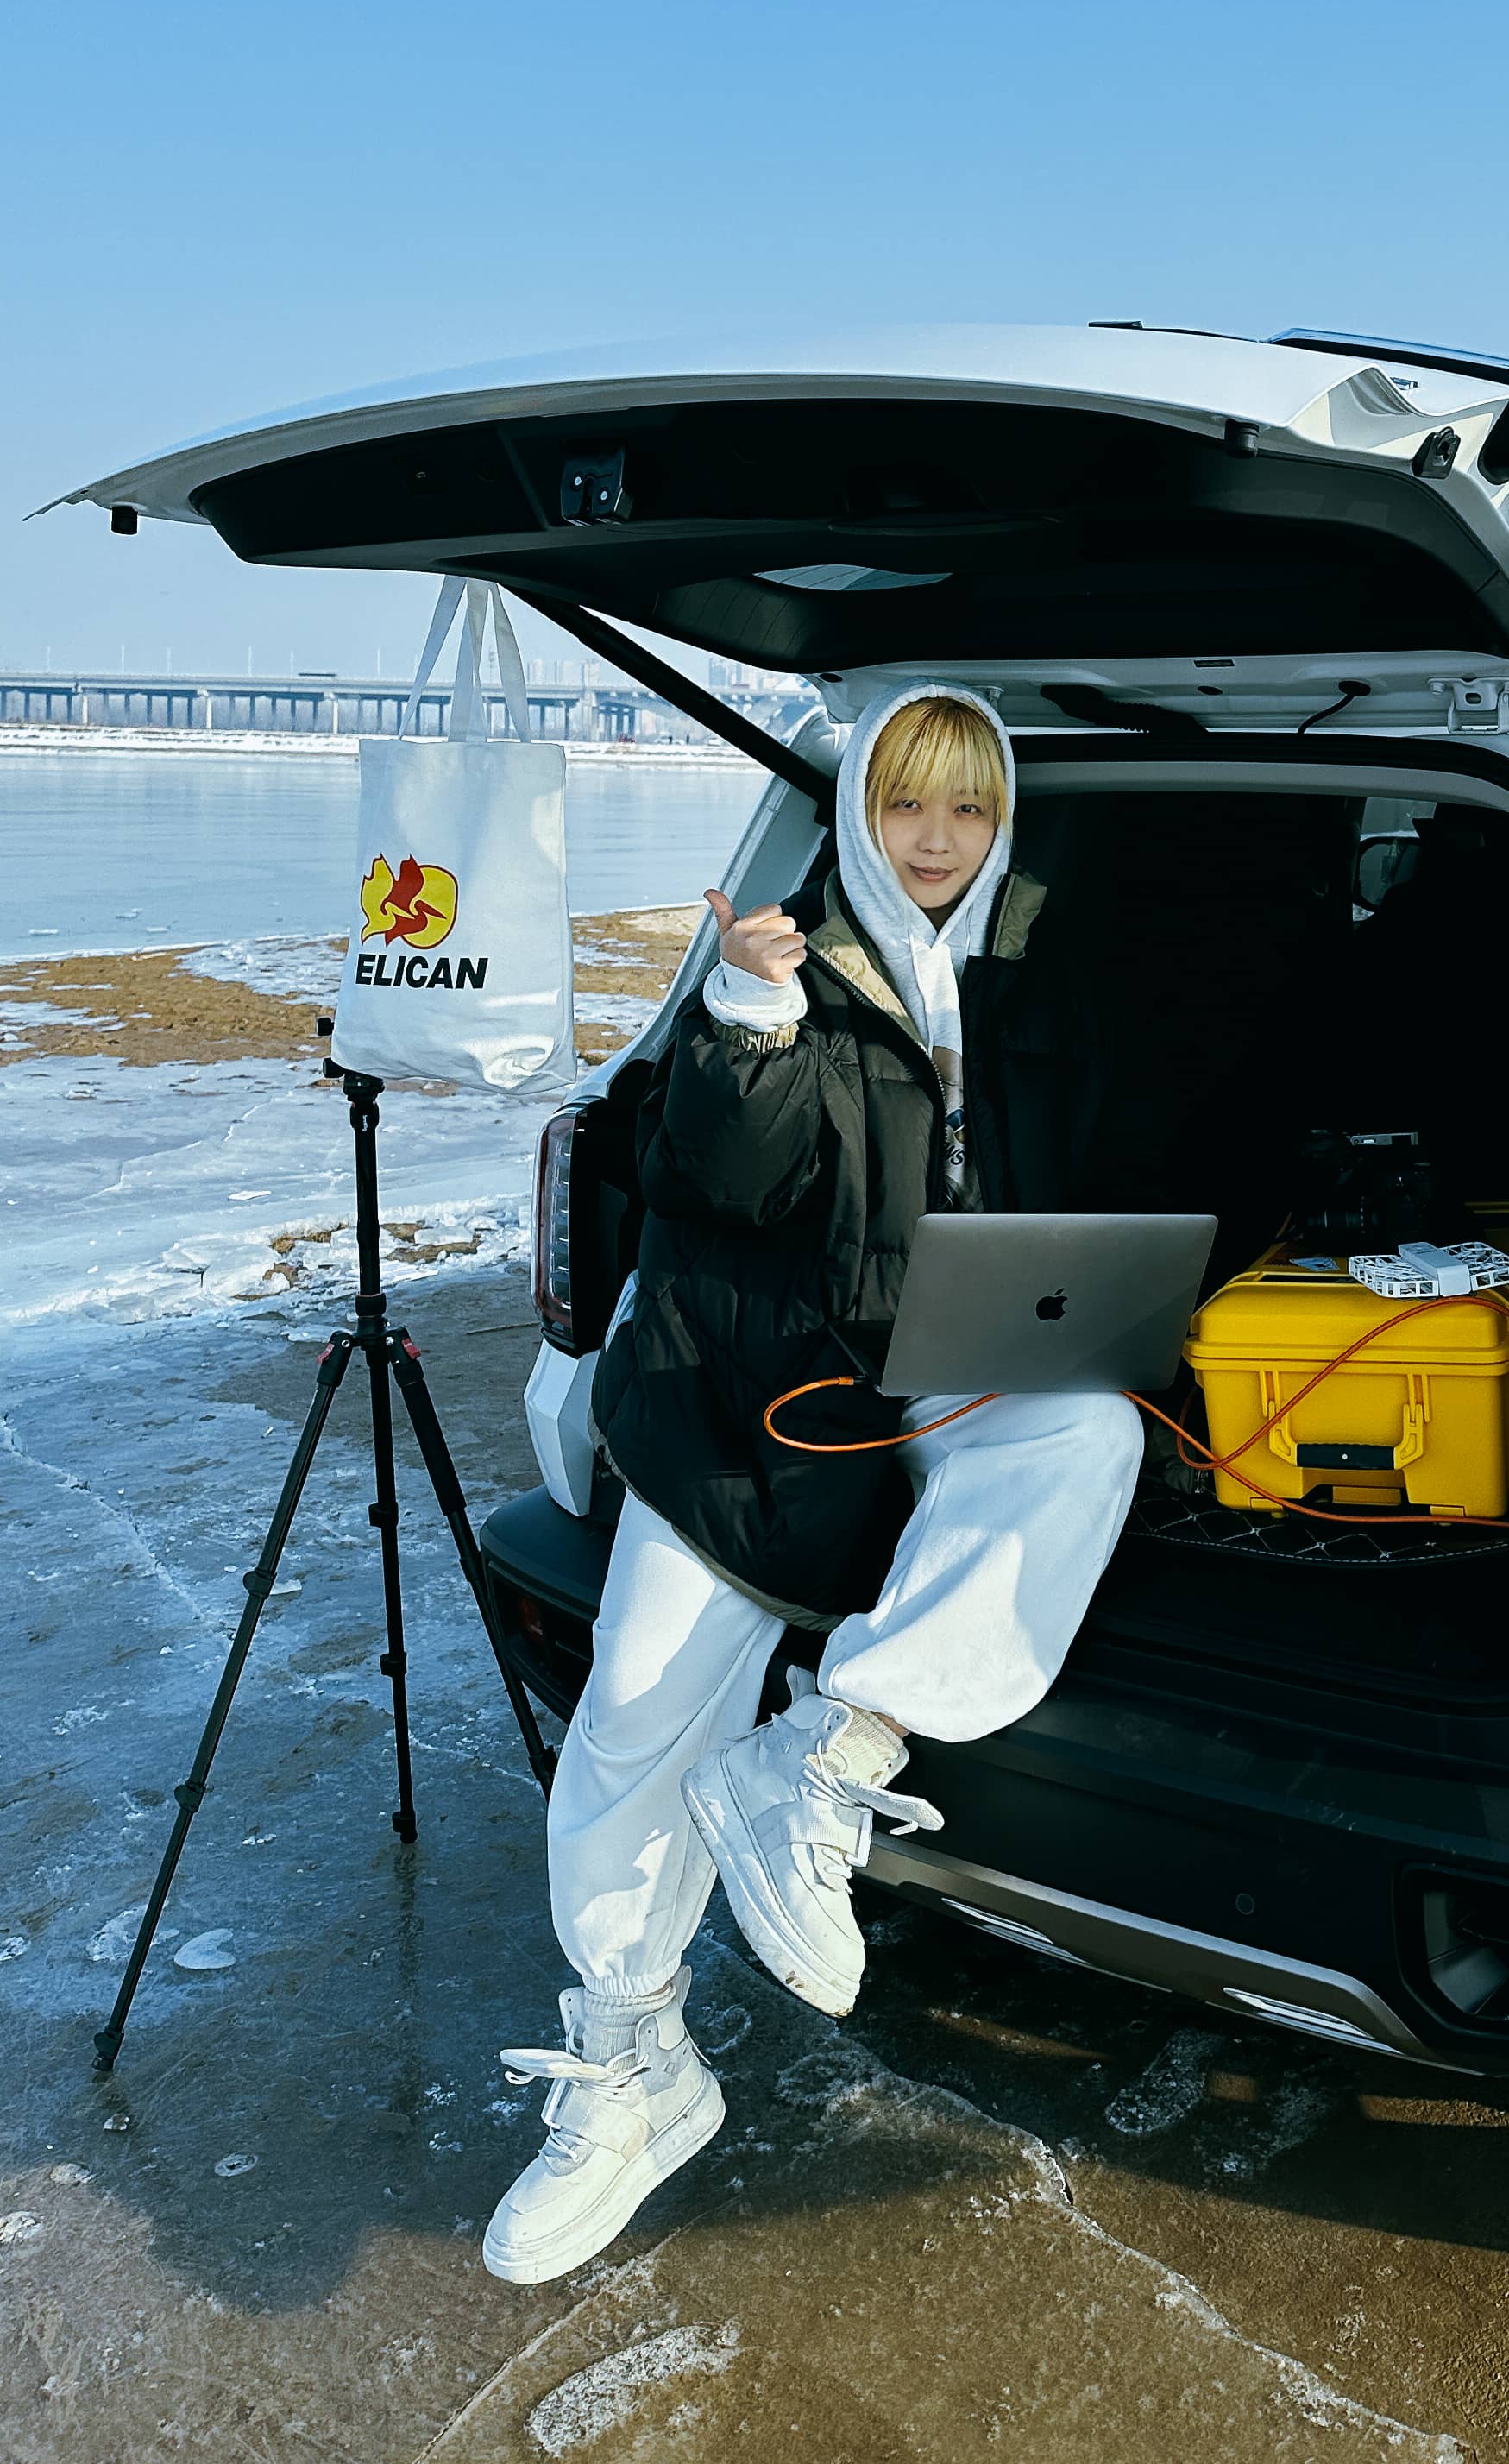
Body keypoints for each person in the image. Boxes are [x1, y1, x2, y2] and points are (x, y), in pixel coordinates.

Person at [481, 683, 1141, 2285]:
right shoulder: (784, 957)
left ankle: (828, 1753)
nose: (935, 839)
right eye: (906, 805)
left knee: (1092, 1432)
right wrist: (745, 1014)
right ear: (856, 813)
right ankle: (634, 2064)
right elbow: (719, 1172)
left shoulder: (1037, 972)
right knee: (635, 1707)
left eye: (967, 810)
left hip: (948, 1365)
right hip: (752, 1389)